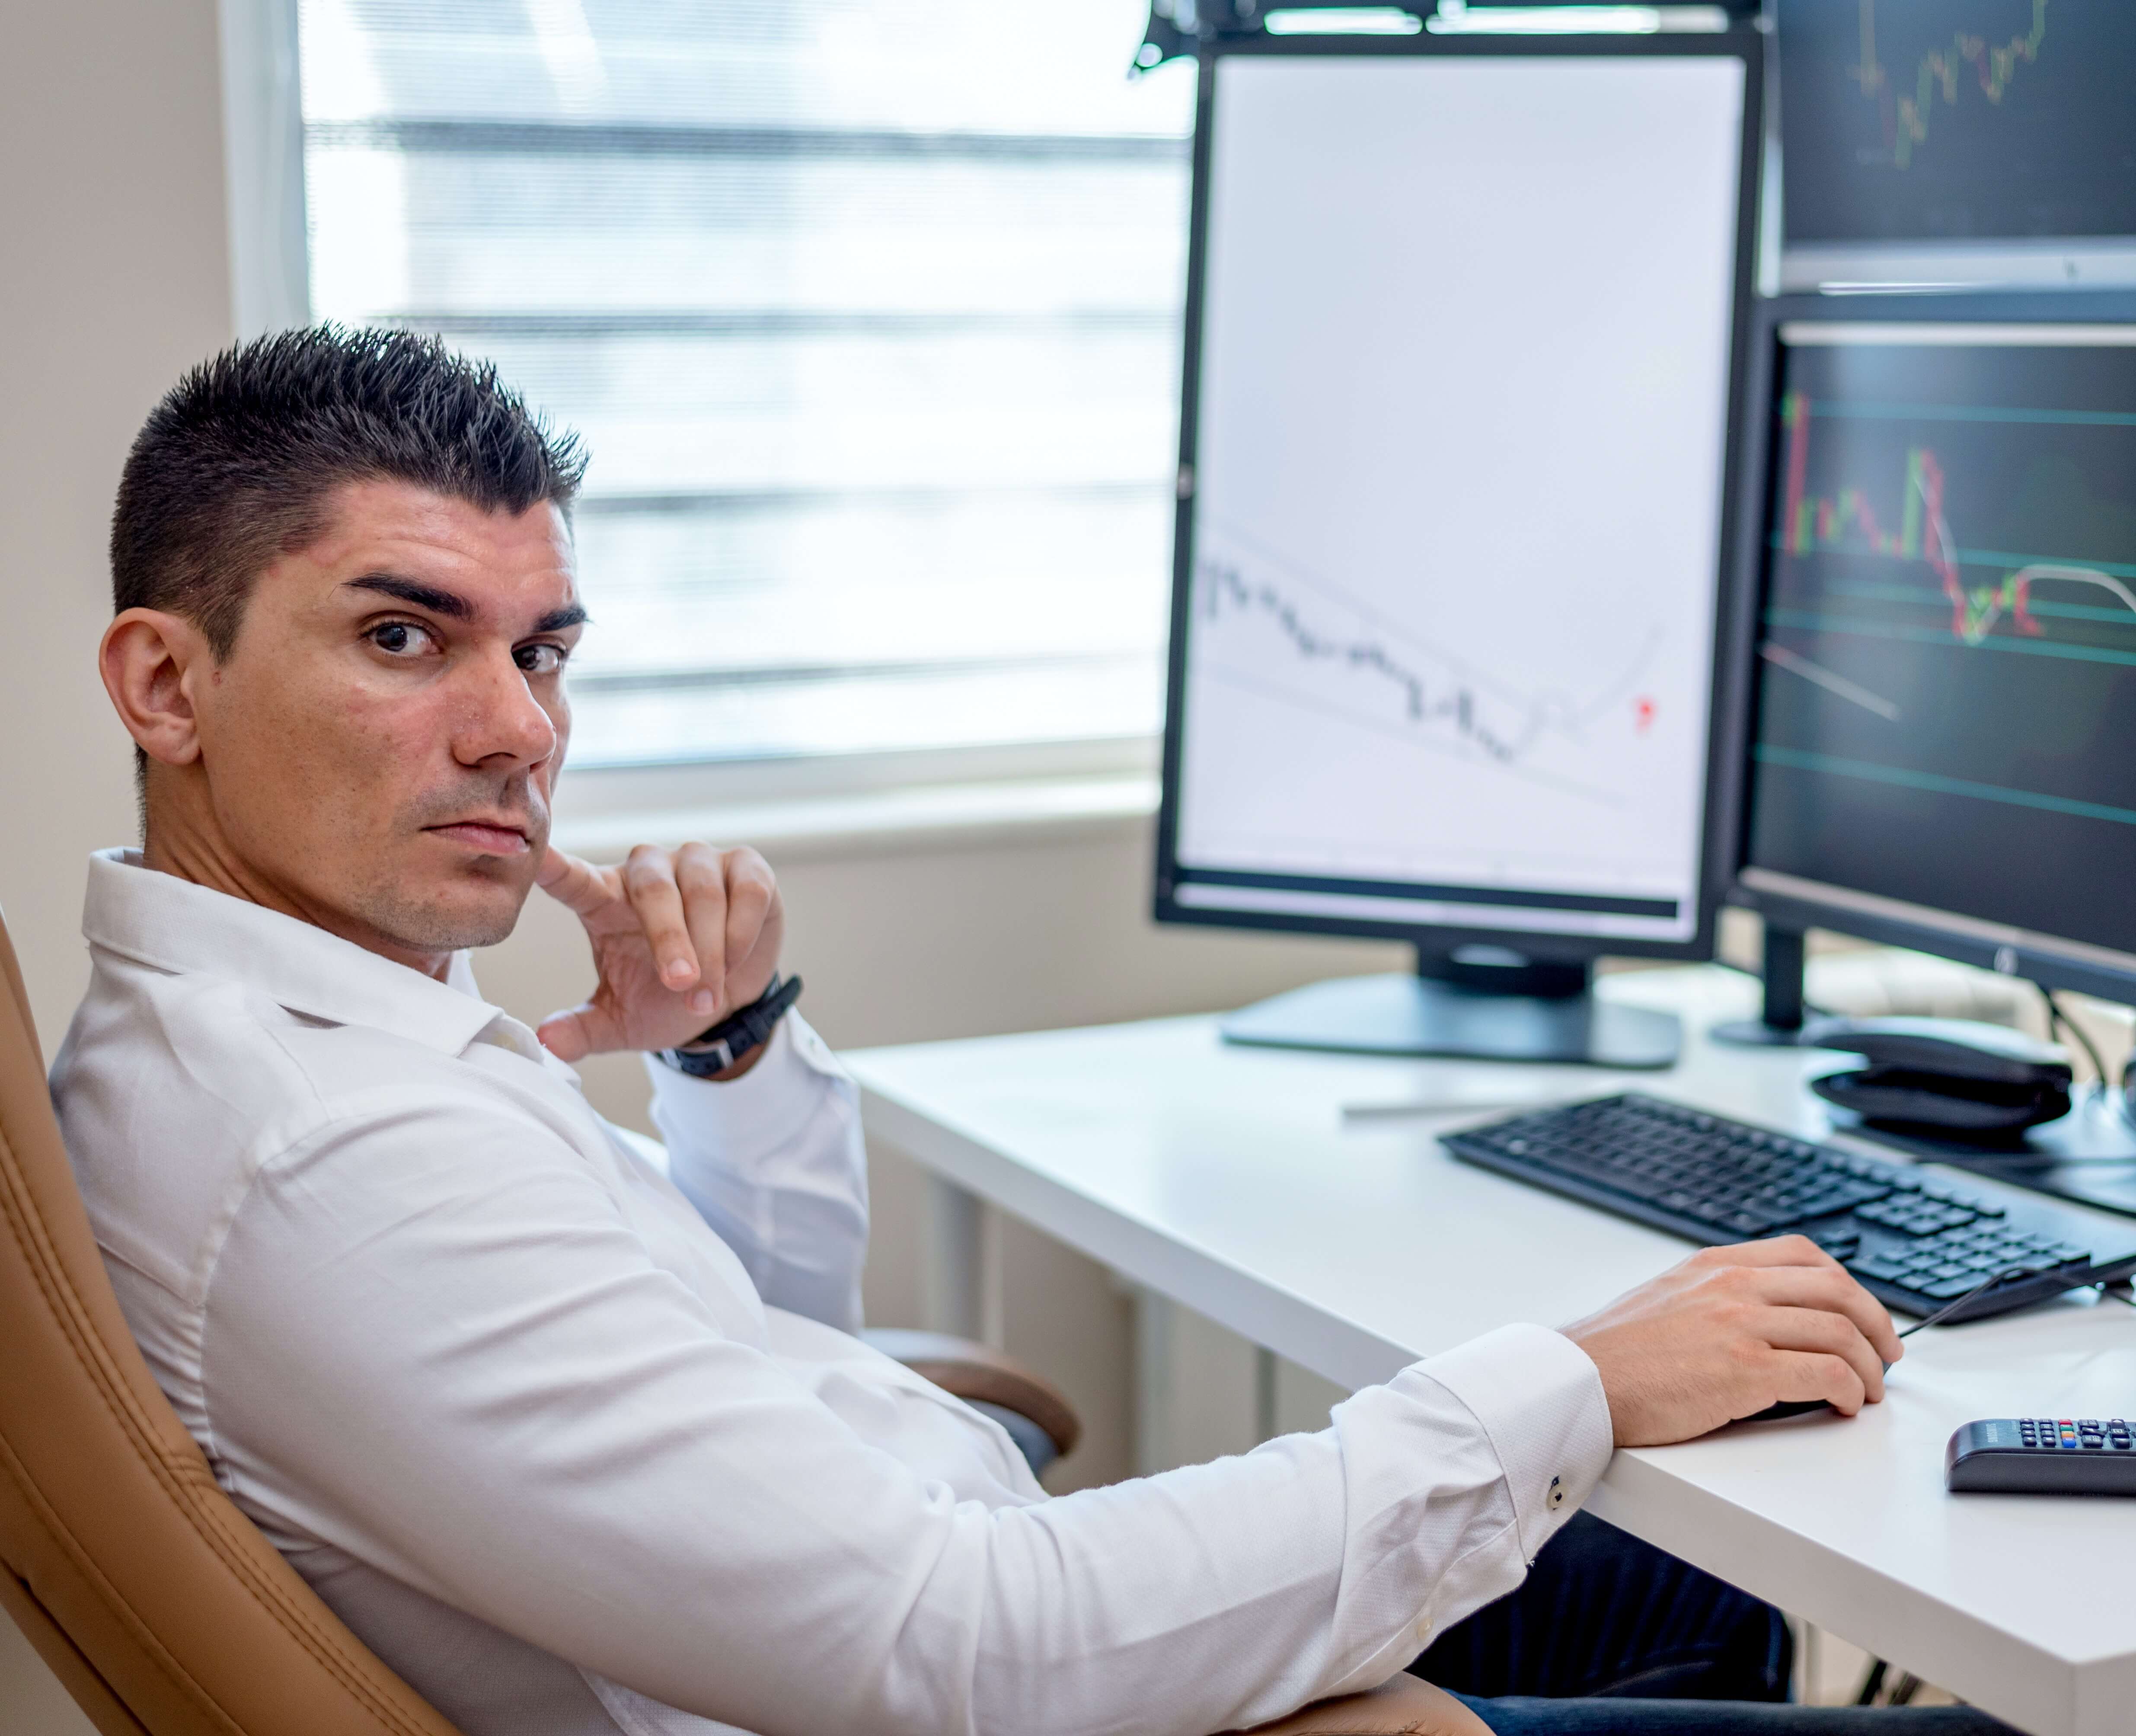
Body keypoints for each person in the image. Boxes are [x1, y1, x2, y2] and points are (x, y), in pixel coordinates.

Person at [50, 327, 2014, 1736]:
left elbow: (754, 1340)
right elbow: (958, 1649)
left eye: (540, 648)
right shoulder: (335, 1153)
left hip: (974, 1609)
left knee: (1724, 1547)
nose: (519, 728)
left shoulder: (317, 1028)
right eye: (406, 637)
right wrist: (1568, 1373)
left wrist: (721, 1051)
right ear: (168, 679)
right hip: (1001, 1663)